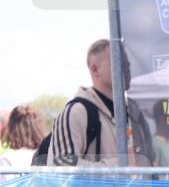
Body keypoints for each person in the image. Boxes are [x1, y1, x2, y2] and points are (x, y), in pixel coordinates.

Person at [46, 39, 155, 167]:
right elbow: (60, 169)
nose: (126, 67)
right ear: (95, 70)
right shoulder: (77, 112)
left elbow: (151, 165)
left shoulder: (135, 114)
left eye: (127, 63)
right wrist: (120, 166)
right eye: (118, 61)